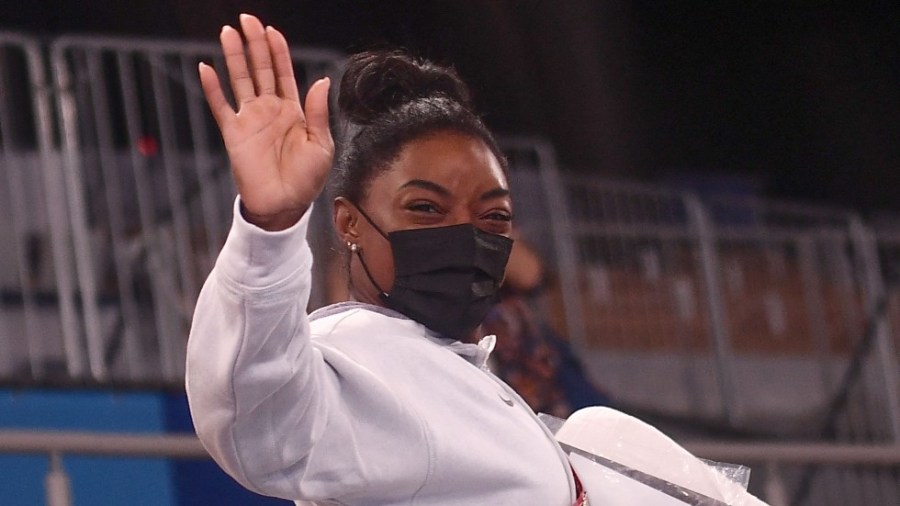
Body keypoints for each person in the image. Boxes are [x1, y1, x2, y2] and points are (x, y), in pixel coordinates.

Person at [186, 14, 584, 506]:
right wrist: (270, 228)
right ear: (350, 222)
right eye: (425, 208)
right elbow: (260, 421)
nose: (464, 233)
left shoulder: (446, 366)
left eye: (493, 216)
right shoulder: (357, 363)